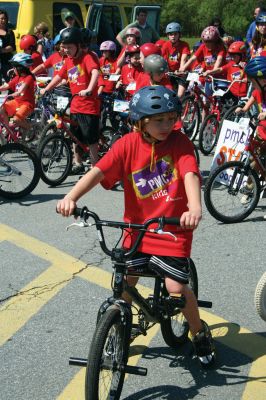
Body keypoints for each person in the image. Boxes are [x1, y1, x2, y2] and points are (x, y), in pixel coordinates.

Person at [56, 85, 216, 368]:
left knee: (176, 288)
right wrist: (71, 197)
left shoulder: (179, 143)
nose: (166, 125)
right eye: (158, 121)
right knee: (125, 282)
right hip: (138, 230)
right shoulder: (127, 145)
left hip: (172, 229)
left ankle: (199, 332)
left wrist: (194, 207)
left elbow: (190, 173)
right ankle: (121, 324)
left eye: (170, 118)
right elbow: (98, 172)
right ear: (140, 122)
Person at [40, 27, 100, 174]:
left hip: (88, 106)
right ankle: (77, 163)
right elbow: (59, 77)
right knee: (75, 137)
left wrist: (89, 89)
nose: (66, 50)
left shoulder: (87, 57)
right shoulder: (68, 61)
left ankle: (94, 169)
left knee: (90, 139)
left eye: (69, 47)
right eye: (64, 47)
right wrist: (47, 88)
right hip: (75, 105)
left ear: (78, 45)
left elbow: (95, 72)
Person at [235, 57, 266, 205]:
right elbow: (251, 100)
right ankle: (249, 188)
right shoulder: (258, 91)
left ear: (263, 80)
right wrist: (243, 109)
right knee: (253, 162)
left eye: (253, 82)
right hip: (261, 133)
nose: (252, 85)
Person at [0, 53, 35, 132]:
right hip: (17, 101)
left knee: (15, 120)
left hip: (27, 104)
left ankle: (30, 129)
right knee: (1, 108)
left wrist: (10, 95)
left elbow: (20, 91)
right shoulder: (17, 77)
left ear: (20, 68)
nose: (13, 69)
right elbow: (6, 86)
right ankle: (8, 129)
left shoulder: (29, 78)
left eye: (14, 67)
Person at [161, 22, 190, 97]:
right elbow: (163, 60)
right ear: (167, 35)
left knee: (180, 95)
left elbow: (183, 59)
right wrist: (166, 70)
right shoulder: (165, 45)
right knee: (169, 94)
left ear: (179, 35)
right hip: (170, 72)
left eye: (175, 34)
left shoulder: (184, 45)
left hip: (182, 72)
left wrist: (181, 70)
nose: (173, 36)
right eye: (171, 34)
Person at [0, 8, 16, 83]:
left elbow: (12, 47)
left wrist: (1, 50)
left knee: (10, 82)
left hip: (6, 61)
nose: (3, 20)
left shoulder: (10, 32)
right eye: (1, 18)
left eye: (4, 18)